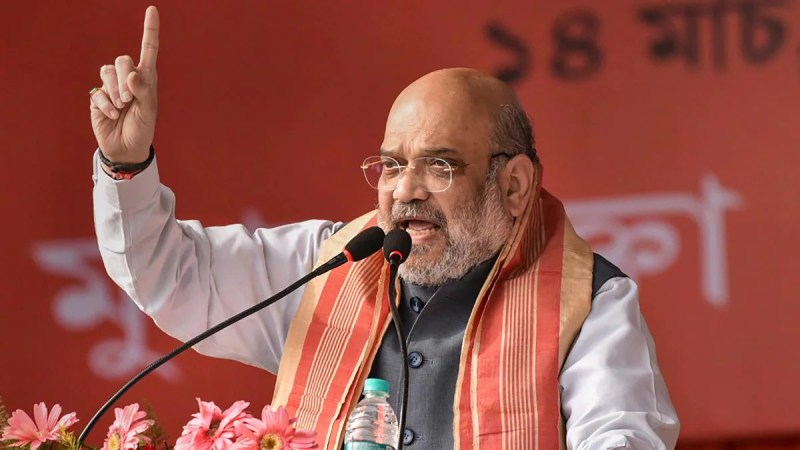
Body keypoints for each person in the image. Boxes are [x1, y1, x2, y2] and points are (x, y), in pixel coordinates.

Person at [90, 6, 679, 450]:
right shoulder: (330, 265)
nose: (404, 190)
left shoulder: (589, 303)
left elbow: (622, 438)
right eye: (392, 166)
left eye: (439, 165)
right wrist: (126, 163)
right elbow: (170, 274)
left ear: (514, 185)